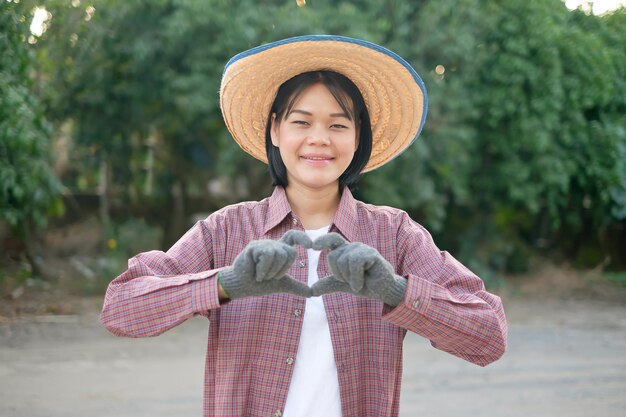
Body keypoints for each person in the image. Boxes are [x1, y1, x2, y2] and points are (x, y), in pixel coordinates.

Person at [100, 35, 507, 417]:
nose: (319, 138)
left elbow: (489, 337)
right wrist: (224, 284)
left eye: (338, 124)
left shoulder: (395, 235)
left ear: (357, 136)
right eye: (301, 122)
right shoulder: (226, 230)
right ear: (275, 129)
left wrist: (396, 291)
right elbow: (121, 309)